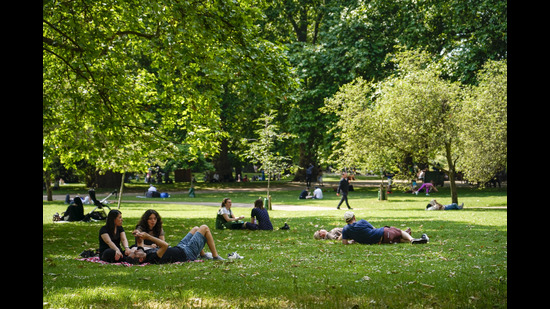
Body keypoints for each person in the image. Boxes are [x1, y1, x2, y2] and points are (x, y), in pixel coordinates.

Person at [127, 224, 225, 264]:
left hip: (180, 247)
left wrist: (138, 233)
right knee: (204, 227)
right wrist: (148, 237)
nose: (135, 250)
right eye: (135, 253)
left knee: (195, 228)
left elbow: (140, 243)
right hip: (187, 254)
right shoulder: (151, 257)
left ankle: (203, 255)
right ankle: (215, 256)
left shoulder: (142, 253)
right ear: (140, 259)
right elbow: (165, 245)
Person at [341, 211, 428, 245]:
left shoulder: (345, 229)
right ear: (354, 217)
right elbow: (374, 229)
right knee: (399, 231)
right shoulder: (362, 222)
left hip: (381, 241)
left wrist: (352, 241)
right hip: (383, 233)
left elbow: (344, 243)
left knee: (396, 239)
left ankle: (415, 240)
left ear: (346, 221)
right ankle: (412, 239)